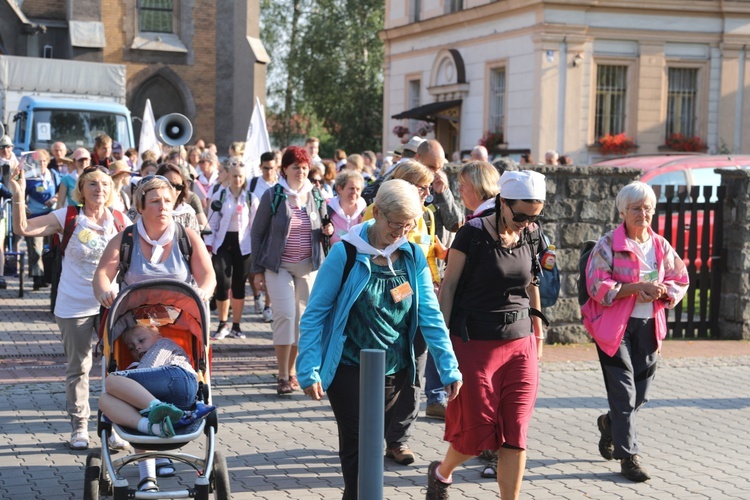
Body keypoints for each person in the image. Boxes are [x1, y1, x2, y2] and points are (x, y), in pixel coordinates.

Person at [297, 179, 463, 499]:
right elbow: (315, 314)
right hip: (348, 367)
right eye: (394, 223)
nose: (401, 231)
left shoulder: (412, 255)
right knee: (358, 446)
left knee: (374, 450)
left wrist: (448, 367)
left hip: (395, 371)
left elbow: (429, 315)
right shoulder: (345, 253)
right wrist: (307, 368)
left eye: (408, 224)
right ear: (377, 212)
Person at [427, 170, 547, 500]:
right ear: (502, 202)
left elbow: (532, 283)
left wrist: (538, 333)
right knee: (479, 433)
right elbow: (449, 287)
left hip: (520, 344)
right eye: (520, 214)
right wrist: (443, 347)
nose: (526, 222)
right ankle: (442, 473)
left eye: (534, 215)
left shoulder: (532, 234)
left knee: (515, 431)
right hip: (474, 343)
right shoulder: (472, 234)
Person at [9, 165, 130, 450]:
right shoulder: (69, 216)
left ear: (111, 190)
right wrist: (17, 195)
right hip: (73, 304)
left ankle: (114, 427)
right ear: (82, 189)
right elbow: (22, 228)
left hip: (110, 304)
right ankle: (79, 428)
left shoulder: (120, 220)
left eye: (104, 184)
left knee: (115, 367)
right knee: (79, 367)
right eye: (92, 184)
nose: (99, 189)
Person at [582, 181, 688, 483]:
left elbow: (680, 278)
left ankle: (609, 424)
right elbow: (596, 285)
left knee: (640, 393)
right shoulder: (607, 245)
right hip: (614, 329)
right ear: (622, 211)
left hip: (649, 327)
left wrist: (662, 291)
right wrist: (634, 288)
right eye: (636, 208)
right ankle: (628, 457)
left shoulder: (660, 246)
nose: (643, 213)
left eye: (648, 208)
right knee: (624, 393)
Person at [361, 161, 443, 466]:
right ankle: (371, 435)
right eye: (422, 187)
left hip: (419, 301)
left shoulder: (428, 215)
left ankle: (398, 440)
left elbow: (426, 253)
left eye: (429, 187)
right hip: (383, 308)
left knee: (414, 373)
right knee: (384, 378)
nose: (427, 193)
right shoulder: (377, 213)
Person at [250, 146, 333, 395]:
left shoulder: (316, 195)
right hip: (279, 266)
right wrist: (256, 271)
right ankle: (283, 374)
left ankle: (295, 371)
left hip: (309, 266)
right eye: (296, 167)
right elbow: (257, 233)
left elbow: (325, 225)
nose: (301, 171)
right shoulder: (273, 195)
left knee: (303, 321)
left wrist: (327, 231)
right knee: (285, 316)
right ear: (284, 169)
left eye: (305, 167)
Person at [424, 160, 500, 422]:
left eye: (463, 185)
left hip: (476, 315)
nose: (459, 191)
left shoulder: (482, 222)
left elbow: (463, 277)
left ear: (479, 188)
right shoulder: (490, 216)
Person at [98, 324, 211, 492]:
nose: (137, 347)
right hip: (178, 397)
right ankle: (149, 470)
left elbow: (149, 370)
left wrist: (125, 382)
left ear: (157, 334)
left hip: (177, 378)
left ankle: (157, 408)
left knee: (111, 381)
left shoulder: (163, 344)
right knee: (104, 400)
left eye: (141, 340)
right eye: (131, 347)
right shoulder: (143, 360)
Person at [92, 175, 216, 308]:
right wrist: (105, 293)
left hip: (180, 322)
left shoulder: (188, 238)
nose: (163, 207)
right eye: (155, 201)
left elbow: (207, 275)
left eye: (167, 201)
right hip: (134, 322)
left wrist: (202, 292)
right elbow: (102, 274)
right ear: (141, 207)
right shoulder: (125, 239)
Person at [205, 161, 253, 340]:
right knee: (223, 283)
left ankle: (237, 326)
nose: (237, 179)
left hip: (244, 245)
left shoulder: (250, 198)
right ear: (228, 176)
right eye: (234, 176)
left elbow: (254, 226)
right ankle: (222, 323)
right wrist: (209, 244)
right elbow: (212, 222)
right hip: (223, 243)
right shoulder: (220, 195)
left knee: (239, 285)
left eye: (241, 176)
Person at [23, 149, 61, 290]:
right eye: (39, 162)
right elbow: (21, 195)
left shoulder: (53, 175)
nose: (42, 164)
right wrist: (24, 207)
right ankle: (37, 278)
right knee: (35, 249)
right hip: (34, 217)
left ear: (48, 161)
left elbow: (59, 191)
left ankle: (47, 276)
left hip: (50, 217)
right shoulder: (30, 177)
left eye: (44, 161)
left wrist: (55, 199)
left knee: (48, 248)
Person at [248, 152, 279, 321]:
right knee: (253, 270)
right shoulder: (253, 184)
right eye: (265, 168)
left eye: (272, 168)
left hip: (274, 234)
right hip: (256, 232)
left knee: (270, 269)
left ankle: (268, 306)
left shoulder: (280, 185)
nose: (268, 171)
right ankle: (256, 296)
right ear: (261, 167)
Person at [155, 164, 199, 233]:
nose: (173, 190)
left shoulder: (188, 213)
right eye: (169, 185)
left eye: (179, 187)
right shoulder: (146, 206)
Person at [327, 170, 365, 246]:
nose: (355, 192)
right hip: (333, 256)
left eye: (358, 189)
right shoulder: (328, 209)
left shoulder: (365, 212)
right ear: (339, 189)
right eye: (351, 188)